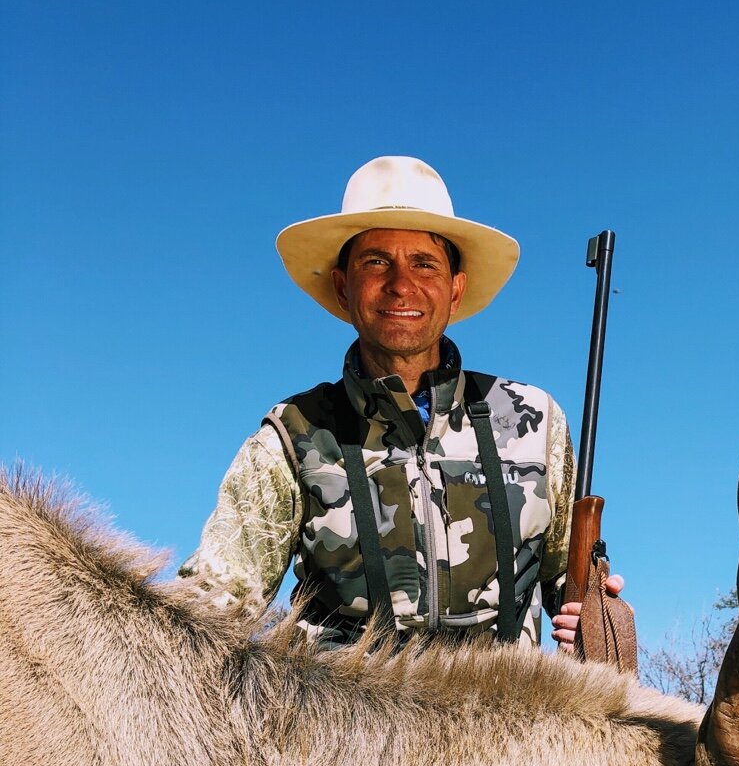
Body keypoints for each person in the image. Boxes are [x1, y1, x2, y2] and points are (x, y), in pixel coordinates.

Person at [180, 156, 619, 649]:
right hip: (342, 722)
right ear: (344, 287)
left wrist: (600, 611)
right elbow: (212, 606)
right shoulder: (292, 433)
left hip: (508, 720)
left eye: (424, 263)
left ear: (455, 290)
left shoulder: (535, 420)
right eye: (376, 261)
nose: (401, 284)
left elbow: (566, 581)